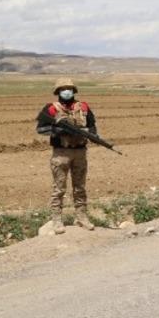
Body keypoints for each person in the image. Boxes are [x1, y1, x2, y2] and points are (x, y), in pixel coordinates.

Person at [35, 78, 98, 233]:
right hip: (61, 153)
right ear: (58, 92)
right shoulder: (51, 109)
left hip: (80, 152)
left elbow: (92, 126)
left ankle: (81, 217)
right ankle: (56, 220)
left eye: (69, 88)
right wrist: (59, 131)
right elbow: (41, 129)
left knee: (80, 188)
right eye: (63, 89)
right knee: (59, 189)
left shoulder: (83, 107)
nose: (67, 91)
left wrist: (92, 135)